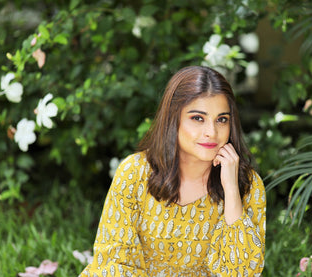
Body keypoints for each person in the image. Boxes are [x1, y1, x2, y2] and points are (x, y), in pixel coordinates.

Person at [79, 65, 266, 276]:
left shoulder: (247, 184)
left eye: (222, 120)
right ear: (173, 119)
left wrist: (232, 191)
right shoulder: (135, 173)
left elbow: (243, 272)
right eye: (198, 118)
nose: (211, 132)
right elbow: (114, 263)